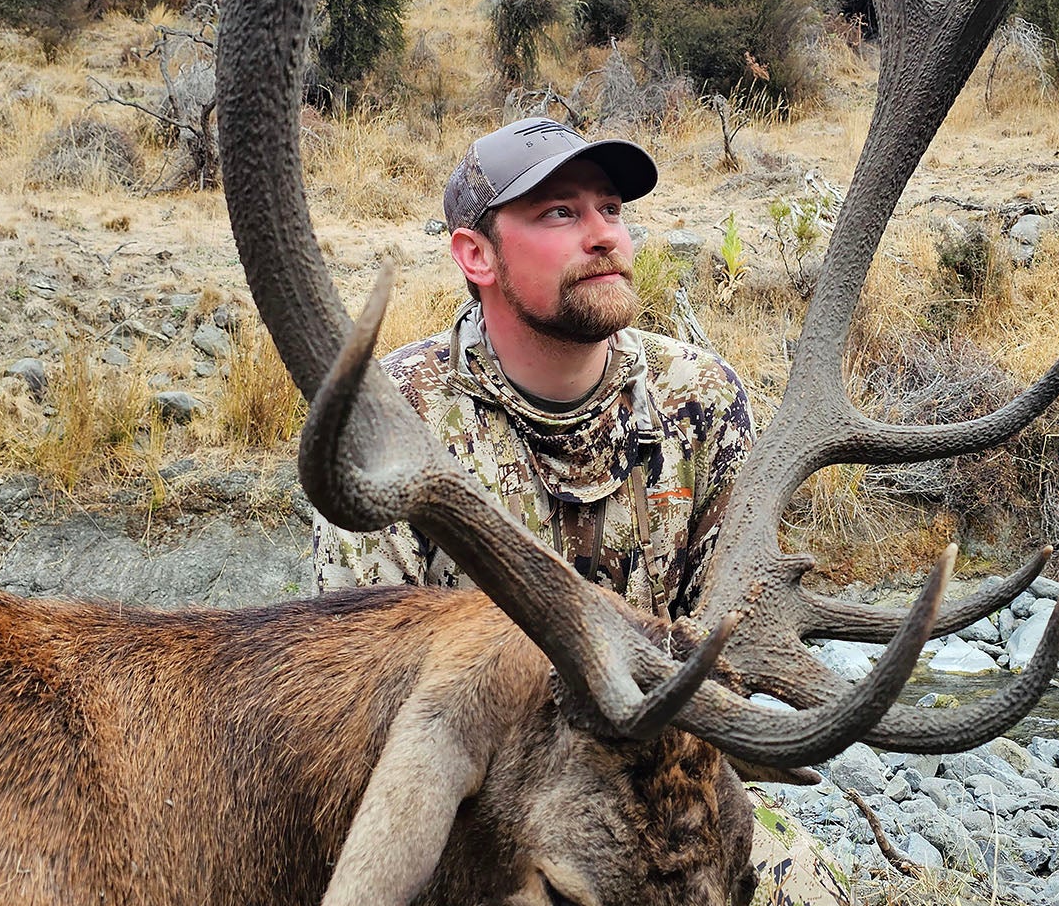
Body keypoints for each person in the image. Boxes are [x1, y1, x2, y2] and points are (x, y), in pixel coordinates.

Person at [311, 115, 755, 632]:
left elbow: (731, 634)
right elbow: (369, 674)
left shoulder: (702, 394)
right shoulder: (386, 419)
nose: (604, 236)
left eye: (610, 208)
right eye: (560, 212)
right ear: (477, 256)